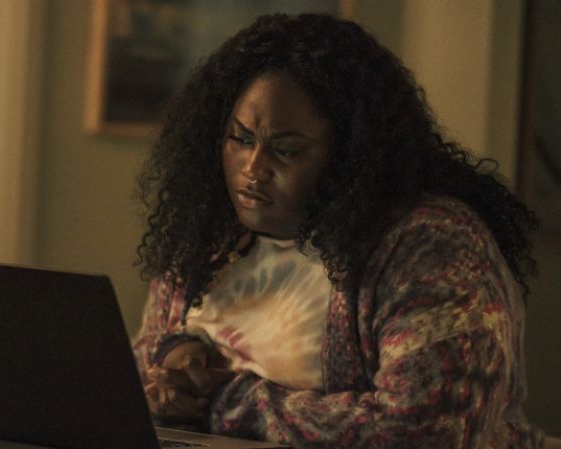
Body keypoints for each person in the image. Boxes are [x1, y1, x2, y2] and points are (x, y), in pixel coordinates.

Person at [131, 12, 545, 449]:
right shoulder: (210, 233)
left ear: (350, 155)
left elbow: (427, 428)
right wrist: (172, 359)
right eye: (240, 138)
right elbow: (142, 360)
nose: (252, 169)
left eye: (286, 150)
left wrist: (226, 403)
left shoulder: (429, 243)